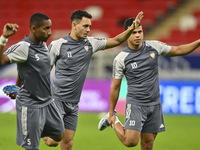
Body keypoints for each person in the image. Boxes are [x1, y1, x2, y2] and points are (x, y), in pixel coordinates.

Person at [44, 10, 143, 150]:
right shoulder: (57, 45)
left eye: (89, 26)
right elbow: (44, 72)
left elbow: (117, 40)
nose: (88, 29)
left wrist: (131, 28)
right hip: (56, 99)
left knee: (68, 143)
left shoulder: (91, 43)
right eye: (85, 26)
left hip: (73, 103)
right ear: (74, 25)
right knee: (52, 141)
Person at [98, 17, 200, 150]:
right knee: (130, 141)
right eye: (134, 33)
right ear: (127, 34)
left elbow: (179, 50)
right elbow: (115, 87)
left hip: (154, 104)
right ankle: (113, 121)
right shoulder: (121, 59)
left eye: (140, 32)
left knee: (148, 145)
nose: (138, 35)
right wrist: (111, 112)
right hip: (136, 104)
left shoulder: (154, 46)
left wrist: (198, 41)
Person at [0, 13, 65, 150]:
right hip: (30, 105)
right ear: (34, 28)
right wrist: (4, 38)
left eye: (50, 28)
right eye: (46, 28)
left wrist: (17, 86)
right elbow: (1, 61)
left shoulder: (42, 45)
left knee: (59, 136)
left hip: (47, 101)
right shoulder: (24, 47)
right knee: (31, 148)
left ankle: (37, 131)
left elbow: (23, 67)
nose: (50, 32)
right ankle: (33, 130)